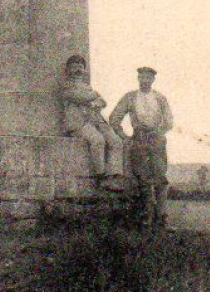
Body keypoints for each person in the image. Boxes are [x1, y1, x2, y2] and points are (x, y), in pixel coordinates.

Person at [109, 67, 174, 229]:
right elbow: (114, 118)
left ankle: (162, 218)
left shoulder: (160, 98)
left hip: (157, 140)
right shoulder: (130, 97)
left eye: (148, 78)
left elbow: (169, 121)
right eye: (142, 77)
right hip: (139, 141)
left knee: (160, 178)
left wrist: (159, 132)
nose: (145, 81)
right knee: (143, 179)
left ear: (153, 80)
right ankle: (147, 217)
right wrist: (124, 137)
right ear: (138, 79)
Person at [60, 54, 126, 191]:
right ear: (68, 69)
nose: (78, 69)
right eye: (74, 66)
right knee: (98, 140)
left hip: (96, 120)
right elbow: (78, 97)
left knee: (116, 141)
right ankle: (101, 178)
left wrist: (95, 100)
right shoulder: (66, 85)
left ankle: (113, 177)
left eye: (81, 66)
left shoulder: (87, 86)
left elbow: (103, 102)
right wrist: (95, 97)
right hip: (80, 124)